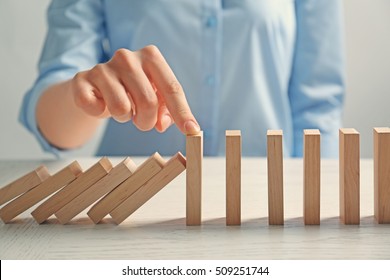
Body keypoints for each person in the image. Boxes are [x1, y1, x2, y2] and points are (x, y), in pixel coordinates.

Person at [20, 0, 345, 158]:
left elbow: (317, 104)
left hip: (267, 210)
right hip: (132, 212)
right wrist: (87, 94)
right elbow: (52, 102)